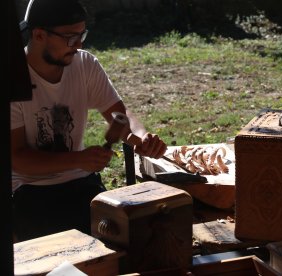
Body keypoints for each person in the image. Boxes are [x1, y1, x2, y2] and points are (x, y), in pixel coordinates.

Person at [11, 0, 167, 242]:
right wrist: (78, 159)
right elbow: (18, 158)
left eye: (82, 34)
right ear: (39, 35)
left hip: (81, 183)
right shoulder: (13, 75)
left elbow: (120, 115)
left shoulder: (84, 64)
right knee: (64, 255)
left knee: (136, 239)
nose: (79, 44)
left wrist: (138, 135)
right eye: (71, 37)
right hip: (30, 190)